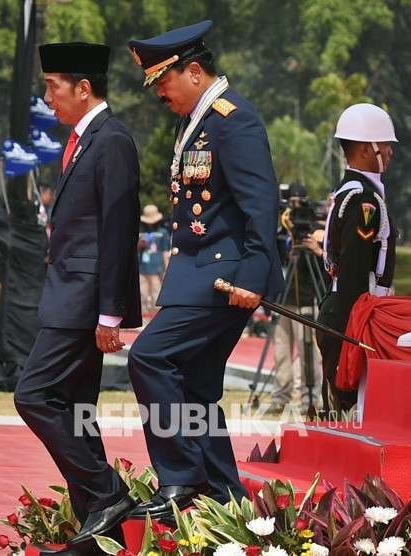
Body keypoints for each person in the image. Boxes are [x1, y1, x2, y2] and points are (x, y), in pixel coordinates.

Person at [125, 20, 283, 520]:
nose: (160, 94)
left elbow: (260, 206)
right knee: (195, 384)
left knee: (149, 358)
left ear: (193, 72)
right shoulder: (194, 119)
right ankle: (225, 497)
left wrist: (253, 279)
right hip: (195, 273)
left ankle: (181, 479)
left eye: (164, 82)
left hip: (224, 276)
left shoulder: (232, 120)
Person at [13, 42, 141, 552]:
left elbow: (116, 230)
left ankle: (107, 493)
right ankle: (98, 531)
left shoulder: (111, 141)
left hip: (84, 300)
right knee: (75, 407)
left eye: (53, 87)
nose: (48, 98)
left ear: (83, 88)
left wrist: (111, 312)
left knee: (34, 396)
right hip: (69, 295)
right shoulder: (86, 140)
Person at [317, 103, 398, 412]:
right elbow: (353, 269)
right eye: (386, 145)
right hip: (355, 314)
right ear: (368, 149)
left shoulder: (348, 191)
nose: (390, 152)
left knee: (351, 410)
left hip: (346, 310)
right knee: (355, 410)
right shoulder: (364, 200)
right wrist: (358, 329)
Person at [270, 184, 326, 414]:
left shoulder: (316, 229)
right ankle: (280, 396)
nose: (293, 207)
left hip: (305, 296)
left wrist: (315, 245)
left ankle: (310, 399)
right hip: (284, 298)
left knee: (308, 353)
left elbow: (327, 262)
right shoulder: (284, 230)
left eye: (297, 202)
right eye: (290, 202)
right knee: (281, 351)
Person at [138, 204, 170, 312]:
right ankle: (141, 315)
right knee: (142, 292)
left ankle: (156, 315)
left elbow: (165, 252)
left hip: (157, 267)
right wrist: (140, 245)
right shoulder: (140, 232)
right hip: (141, 267)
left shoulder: (163, 232)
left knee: (156, 291)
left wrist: (166, 269)